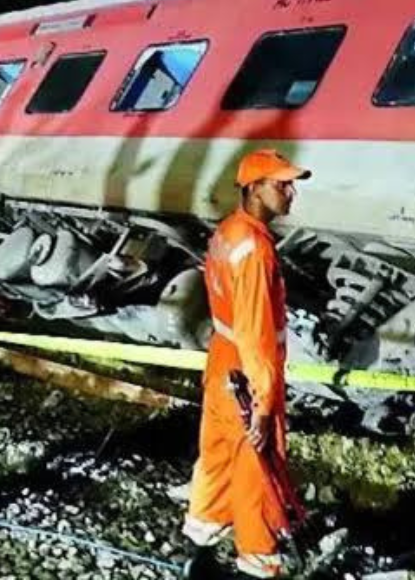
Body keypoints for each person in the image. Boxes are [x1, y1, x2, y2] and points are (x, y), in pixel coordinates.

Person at [182, 148, 309, 579]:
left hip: (222, 359)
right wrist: (264, 403)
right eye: (281, 185)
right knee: (256, 467)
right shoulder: (255, 248)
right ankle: (258, 559)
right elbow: (257, 334)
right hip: (246, 368)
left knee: (216, 454)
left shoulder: (227, 232)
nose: (290, 193)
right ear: (254, 188)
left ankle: (199, 548)